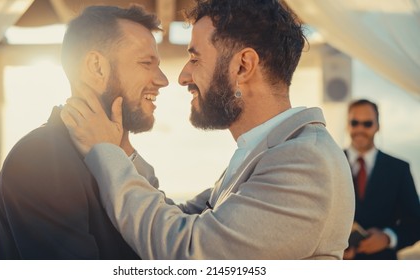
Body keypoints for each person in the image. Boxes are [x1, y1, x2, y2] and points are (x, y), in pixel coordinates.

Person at [61, 0, 355, 259]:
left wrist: (105, 153)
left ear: (243, 66)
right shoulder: (265, 152)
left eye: (195, 58)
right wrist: (122, 151)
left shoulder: (304, 162)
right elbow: (180, 218)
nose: (182, 76)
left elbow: (191, 252)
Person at [0, 5, 168, 259]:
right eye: (146, 63)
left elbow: (165, 238)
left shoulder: (117, 159)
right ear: (97, 67)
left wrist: (120, 151)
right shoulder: (38, 160)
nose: (162, 79)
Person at [343, 99, 420, 260]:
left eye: (367, 124)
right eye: (355, 122)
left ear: (378, 126)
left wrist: (387, 238)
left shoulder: (399, 169)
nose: (360, 129)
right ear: (347, 125)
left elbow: (415, 223)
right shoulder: (329, 163)